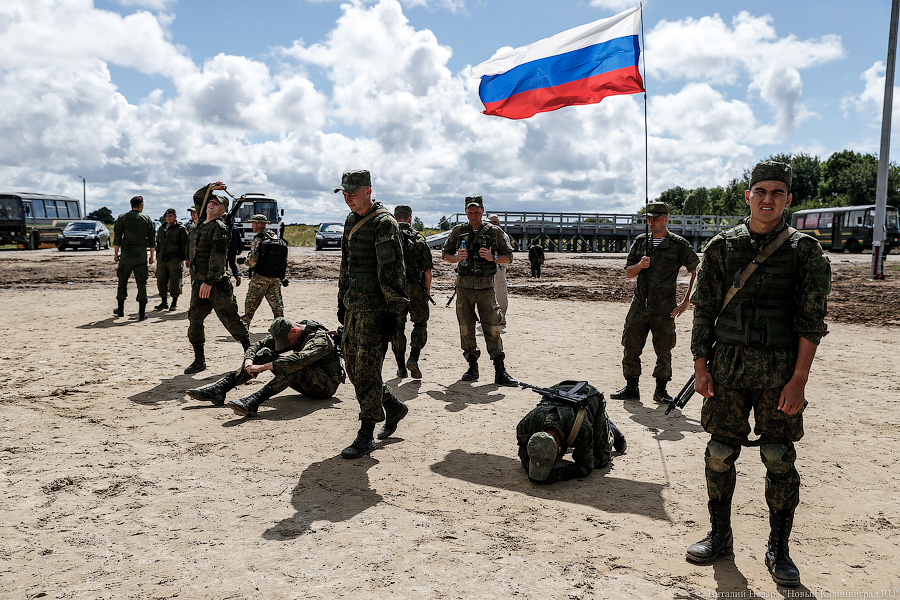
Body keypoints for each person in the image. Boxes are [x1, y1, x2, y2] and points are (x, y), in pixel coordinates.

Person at [684, 161, 832, 588]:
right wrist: (699, 366)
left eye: (777, 192)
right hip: (726, 369)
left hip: (779, 373)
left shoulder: (806, 251)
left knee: (778, 457)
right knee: (718, 453)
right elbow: (704, 310)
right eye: (760, 191)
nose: (768, 199)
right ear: (747, 195)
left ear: (789, 199)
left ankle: (779, 547)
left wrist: (799, 378)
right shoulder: (721, 246)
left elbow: (811, 319)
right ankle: (719, 535)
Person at [335, 170, 410, 459]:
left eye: (352, 194)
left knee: (367, 372)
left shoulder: (384, 223)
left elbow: (391, 271)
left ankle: (366, 432)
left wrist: (393, 314)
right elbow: (346, 264)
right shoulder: (351, 220)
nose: (348, 199)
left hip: (376, 311)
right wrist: (341, 301)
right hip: (354, 306)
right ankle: (393, 406)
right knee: (353, 368)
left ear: (368, 190)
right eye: (344, 194)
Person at [611, 201, 699, 403]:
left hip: (664, 308)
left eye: (656, 219)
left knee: (664, 350)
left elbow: (696, 271)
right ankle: (631, 388)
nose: (651, 222)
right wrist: (640, 265)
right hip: (640, 305)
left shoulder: (679, 245)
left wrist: (686, 301)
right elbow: (628, 273)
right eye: (649, 219)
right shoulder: (641, 242)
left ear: (666, 219)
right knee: (631, 345)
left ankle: (661, 391)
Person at [186, 317, 343, 417]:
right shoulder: (293, 332)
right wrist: (249, 360)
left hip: (325, 386)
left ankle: (253, 402)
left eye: (287, 341)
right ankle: (220, 389)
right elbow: (259, 344)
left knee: (297, 365)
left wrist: (262, 367)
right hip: (307, 380)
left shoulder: (320, 340)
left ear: (294, 330)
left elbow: (298, 360)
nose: (286, 345)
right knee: (266, 352)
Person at [442, 196, 517, 386]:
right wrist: (457, 257)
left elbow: (509, 257)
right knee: (466, 327)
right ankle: (472, 367)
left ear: (483, 210)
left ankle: (500, 370)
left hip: (485, 286)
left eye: (477, 212)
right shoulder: (458, 231)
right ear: (466, 212)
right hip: (464, 287)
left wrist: (493, 257)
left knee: (491, 327)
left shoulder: (494, 232)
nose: (473, 215)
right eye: (470, 212)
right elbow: (445, 255)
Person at [184, 185, 251, 374]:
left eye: (217, 203)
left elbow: (219, 258)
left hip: (217, 284)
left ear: (224, 211)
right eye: (210, 201)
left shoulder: (220, 228)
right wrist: (211, 187)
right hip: (200, 283)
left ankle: (251, 354)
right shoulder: (203, 221)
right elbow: (199, 196)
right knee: (195, 319)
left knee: (231, 321)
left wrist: (209, 281)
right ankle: (199, 360)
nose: (211, 204)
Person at [516, 381, 626, 484]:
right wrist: (531, 471)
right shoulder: (525, 425)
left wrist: (559, 475)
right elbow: (524, 455)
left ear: (559, 449)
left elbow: (586, 466)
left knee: (600, 460)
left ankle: (608, 427)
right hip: (558, 391)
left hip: (589, 396)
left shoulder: (581, 428)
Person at [391, 205, 433, 379]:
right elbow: (427, 271)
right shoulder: (419, 239)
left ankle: (401, 367)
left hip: (395, 291)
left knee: (397, 328)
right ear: (410, 218)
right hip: (416, 289)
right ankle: (413, 358)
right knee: (420, 324)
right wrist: (426, 291)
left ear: (395, 217)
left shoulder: (389, 238)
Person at [113, 195, 156, 320]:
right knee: (142, 283)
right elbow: (152, 241)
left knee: (122, 282)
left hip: (126, 255)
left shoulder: (122, 218)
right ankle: (142, 313)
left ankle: (120, 310)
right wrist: (152, 256)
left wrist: (116, 254)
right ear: (141, 205)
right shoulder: (147, 219)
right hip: (141, 256)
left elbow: (117, 239)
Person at [239, 214, 285, 328]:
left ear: (259, 224)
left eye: (254, 223)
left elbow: (253, 261)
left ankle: (245, 325)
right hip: (275, 276)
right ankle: (281, 326)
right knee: (277, 304)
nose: (252, 225)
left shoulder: (259, 238)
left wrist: (245, 261)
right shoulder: (274, 236)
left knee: (251, 302)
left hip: (261, 277)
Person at [154, 208, 189, 311]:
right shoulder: (162, 228)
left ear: (175, 217)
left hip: (175, 259)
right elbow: (158, 243)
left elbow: (184, 244)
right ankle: (164, 302)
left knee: (175, 280)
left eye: (170, 216)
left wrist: (182, 257)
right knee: (161, 280)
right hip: (162, 259)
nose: (168, 218)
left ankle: (174, 303)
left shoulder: (180, 229)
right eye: (167, 216)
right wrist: (158, 256)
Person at [487, 214, 512, 325]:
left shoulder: (501, 235)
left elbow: (507, 254)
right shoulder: (488, 234)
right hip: (490, 266)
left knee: (500, 291)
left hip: (498, 266)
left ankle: (501, 316)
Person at [185, 206, 199, 271]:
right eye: (191, 212)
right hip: (192, 260)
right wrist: (187, 258)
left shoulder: (204, 226)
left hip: (200, 261)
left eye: (194, 212)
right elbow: (188, 243)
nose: (192, 214)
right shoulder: (191, 227)